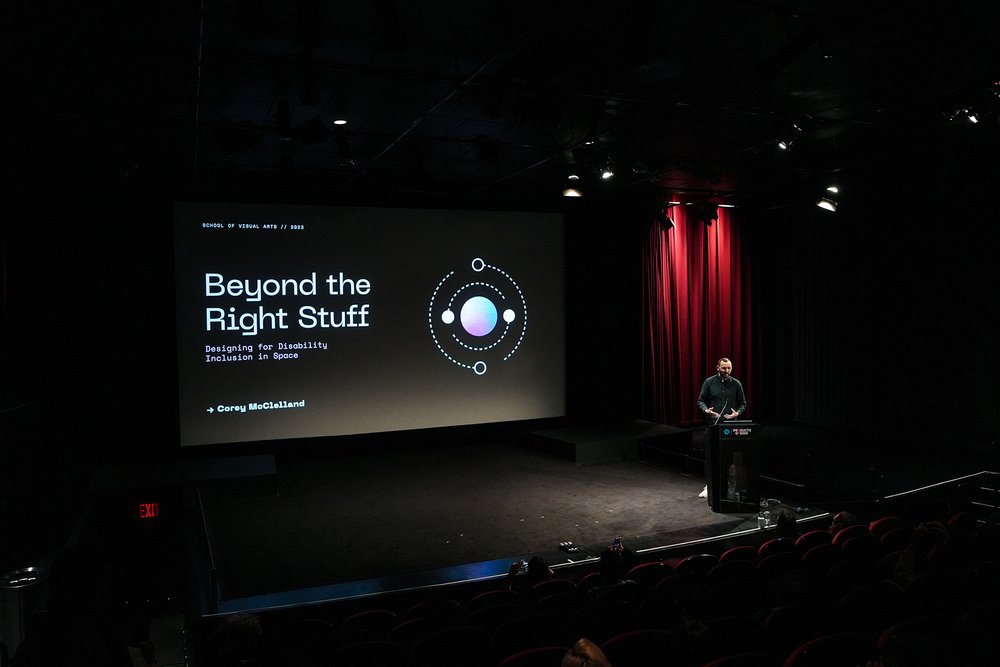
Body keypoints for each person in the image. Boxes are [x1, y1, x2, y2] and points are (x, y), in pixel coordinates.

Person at [696, 357, 747, 498]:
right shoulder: (709, 382)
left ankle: (731, 485)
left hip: (730, 426)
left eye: (729, 368)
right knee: (711, 456)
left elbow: (743, 403)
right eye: (724, 368)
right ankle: (709, 486)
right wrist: (706, 411)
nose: (727, 370)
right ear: (717, 368)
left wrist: (737, 413)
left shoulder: (736, 384)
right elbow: (700, 401)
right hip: (713, 425)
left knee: (730, 456)